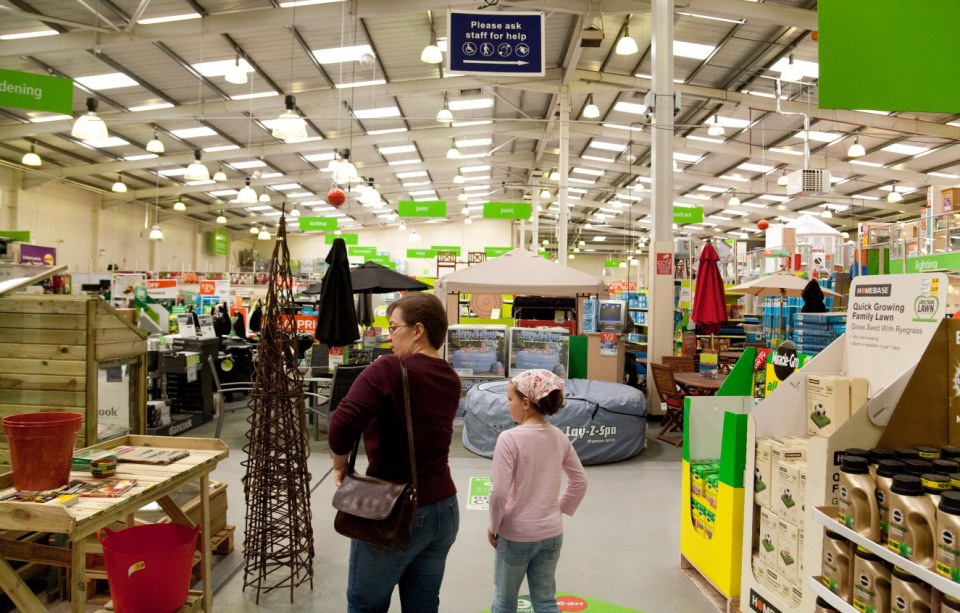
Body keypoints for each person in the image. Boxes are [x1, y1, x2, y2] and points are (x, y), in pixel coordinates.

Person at [328, 291, 461, 613]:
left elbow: (340, 426)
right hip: (443, 508)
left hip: (393, 508)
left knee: (365, 604)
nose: (388, 336)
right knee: (423, 603)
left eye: (393, 327)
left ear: (418, 330)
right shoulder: (450, 376)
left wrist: (340, 466)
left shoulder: (388, 369)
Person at [487, 369, 588, 613]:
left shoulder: (509, 439)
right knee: (545, 601)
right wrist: (558, 510)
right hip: (551, 534)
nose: (507, 404)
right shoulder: (559, 437)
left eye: (509, 399)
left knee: (504, 601)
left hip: (515, 534)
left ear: (525, 402)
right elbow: (580, 481)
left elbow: (499, 492)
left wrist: (494, 525)